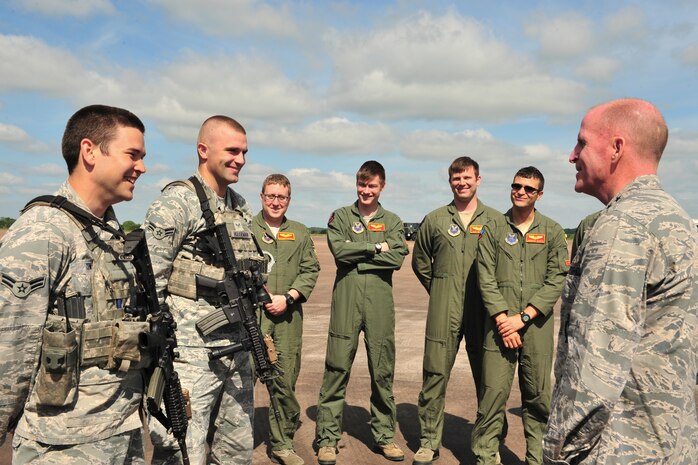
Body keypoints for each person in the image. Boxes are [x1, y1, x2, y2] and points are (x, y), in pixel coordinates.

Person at [544, 99, 698, 464]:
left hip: (620, 449)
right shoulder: (678, 221)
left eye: (581, 143)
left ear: (616, 148)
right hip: (672, 442)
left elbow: (594, 368)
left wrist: (559, 454)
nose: (572, 155)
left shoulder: (621, 227)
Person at [0, 105, 148, 464]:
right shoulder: (44, 231)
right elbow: (9, 348)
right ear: (90, 151)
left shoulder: (109, 233)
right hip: (63, 445)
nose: (142, 167)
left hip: (120, 430)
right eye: (133, 155)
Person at [143, 115, 262, 464]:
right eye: (232, 150)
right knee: (183, 451)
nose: (240, 159)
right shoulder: (178, 201)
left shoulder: (240, 205)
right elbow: (150, 281)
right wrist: (161, 352)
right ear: (203, 149)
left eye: (244, 152)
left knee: (237, 450)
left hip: (237, 346)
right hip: (191, 353)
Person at [471, 166, 569, 465]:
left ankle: (537, 458)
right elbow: (485, 277)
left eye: (529, 189)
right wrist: (504, 319)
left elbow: (557, 278)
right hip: (498, 327)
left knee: (538, 397)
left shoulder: (552, 230)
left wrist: (523, 318)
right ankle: (486, 457)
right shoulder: (492, 228)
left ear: (539, 194)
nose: (521, 192)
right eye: (517, 186)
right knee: (492, 397)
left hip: (536, 326)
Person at [315, 160, 408, 465]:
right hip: (347, 300)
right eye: (362, 185)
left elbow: (396, 258)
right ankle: (327, 438)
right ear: (356, 184)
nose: (366, 191)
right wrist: (375, 247)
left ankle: (384, 436)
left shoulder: (392, 220)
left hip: (380, 304)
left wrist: (361, 251)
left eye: (372, 186)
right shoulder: (341, 216)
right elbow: (339, 252)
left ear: (382, 187)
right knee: (337, 368)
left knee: (382, 371)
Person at [410, 156, 501, 465]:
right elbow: (420, 262)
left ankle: (488, 443)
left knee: (488, 378)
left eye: (467, 178)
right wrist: (439, 289)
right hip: (443, 307)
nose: (462, 183)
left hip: (483, 309)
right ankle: (428, 441)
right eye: (456, 179)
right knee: (434, 374)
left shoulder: (496, 220)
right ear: (450, 182)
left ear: (478, 179)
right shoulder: (435, 219)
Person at [252, 174, 320, 465]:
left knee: (285, 381)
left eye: (281, 197)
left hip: (288, 319)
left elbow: (310, 269)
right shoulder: (245, 228)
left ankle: (281, 444)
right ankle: (236, 442)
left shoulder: (301, 232)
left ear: (288, 200)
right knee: (241, 382)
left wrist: (289, 297)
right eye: (270, 196)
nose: (275, 202)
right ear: (262, 197)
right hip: (251, 317)